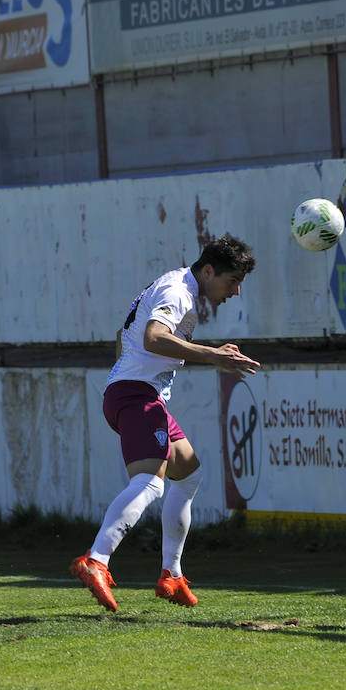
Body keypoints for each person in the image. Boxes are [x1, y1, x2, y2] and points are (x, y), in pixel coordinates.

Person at [71, 235, 261, 612]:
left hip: (135, 394)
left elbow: (122, 337)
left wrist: (122, 379)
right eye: (232, 280)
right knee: (149, 484)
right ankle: (97, 559)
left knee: (188, 472)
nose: (236, 291)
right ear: (208, 270)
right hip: (135, 395)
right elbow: (154, 337)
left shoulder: (176, 285)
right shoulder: (177, 292)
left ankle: (171, 575)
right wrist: (212, 355)